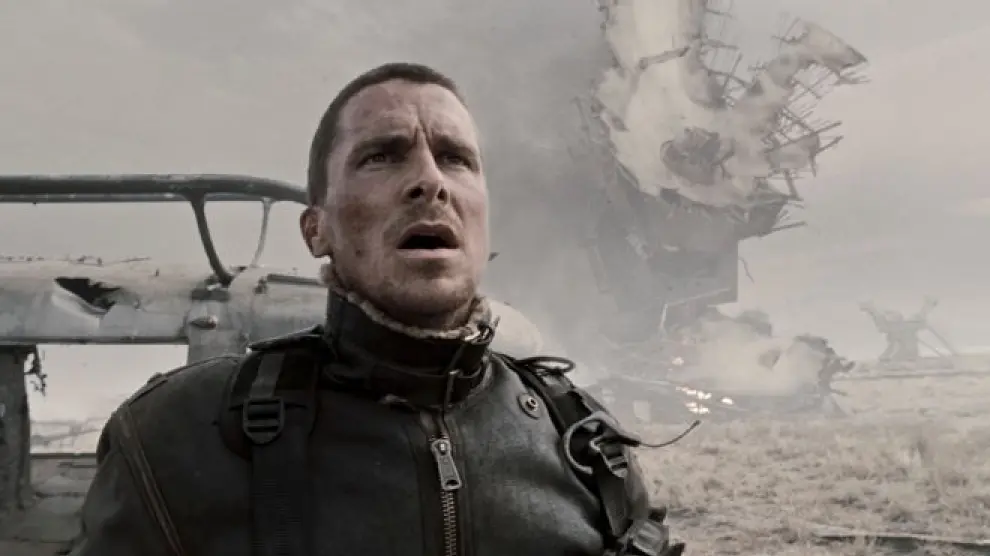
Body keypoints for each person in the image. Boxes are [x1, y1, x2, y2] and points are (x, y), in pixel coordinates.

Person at [69, 62, 684, 556]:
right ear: (316, 229)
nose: (430, 181)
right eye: (382, 155)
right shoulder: (173, 440)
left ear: (483, 219)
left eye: (456, 158)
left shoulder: (585, 445)